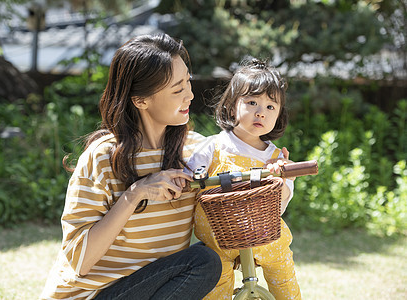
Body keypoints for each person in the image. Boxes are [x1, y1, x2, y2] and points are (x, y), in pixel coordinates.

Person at [40, 33, 221, 300]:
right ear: (140, 100)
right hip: (90, 296)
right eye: (177, 89)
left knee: (206, 261)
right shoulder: (102, 158)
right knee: (203, 261)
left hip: (153, 289)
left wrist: (275, 170)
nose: (190, 95)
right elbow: (79, 261)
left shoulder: (197, 152)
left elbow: (241, 182)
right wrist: (134, 195)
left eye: (188, 82)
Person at [187, 58, 301, 299]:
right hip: (218, 233)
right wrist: (192, 178)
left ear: (279, 115)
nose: (261, 112)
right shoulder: (214, 146)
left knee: (281, 263)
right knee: (215, 277)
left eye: (271, 107)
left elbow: (279, 205)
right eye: (252, 102)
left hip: (261, 233)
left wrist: (281, 176)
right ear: (231, 107)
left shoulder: (274, 156)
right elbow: (190, 175)